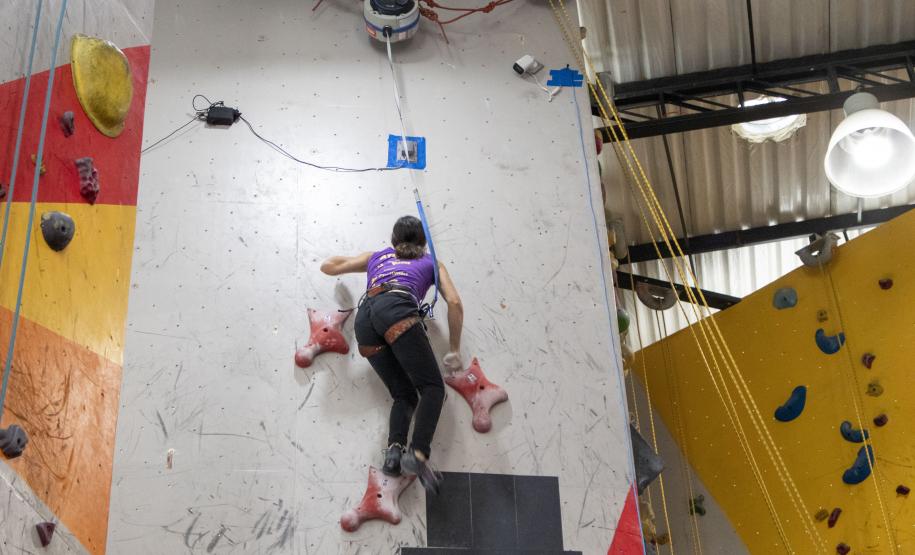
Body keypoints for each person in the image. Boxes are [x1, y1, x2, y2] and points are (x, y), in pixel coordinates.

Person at [320, 215, 463, 494]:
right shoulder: (431, 263)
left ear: (393, 240)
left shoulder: (377, 256)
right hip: (397, 311)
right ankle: (418, 454)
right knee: (433, 387)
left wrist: (373, 262)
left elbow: (329, 266)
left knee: (405, 394)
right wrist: (454, 349)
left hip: (366, 320)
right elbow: (455, 302)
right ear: (422, 242)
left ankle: (394, 453)